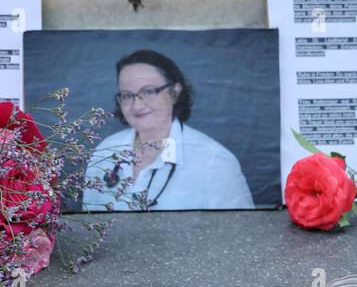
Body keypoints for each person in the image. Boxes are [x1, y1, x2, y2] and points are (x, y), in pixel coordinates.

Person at [84, 50, 255, 211]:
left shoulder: (215, 161)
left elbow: (240, 235)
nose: (137, 105)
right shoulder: (105, 152)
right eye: (127, 95)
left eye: (149, 91)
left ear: (174, 92)